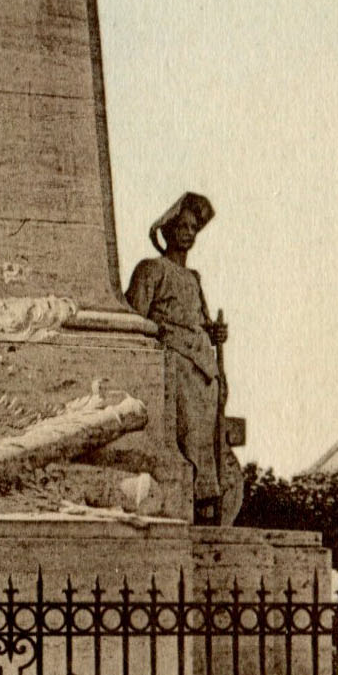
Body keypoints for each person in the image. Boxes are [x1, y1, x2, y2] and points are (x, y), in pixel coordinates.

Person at [125, 194, 241, 525]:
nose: (189, 233)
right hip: (175, 365)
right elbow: (135, 318)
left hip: (204, 368)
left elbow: (200, 320)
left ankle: (209, 502)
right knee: (188, 436)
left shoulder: (194, 279)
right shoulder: (151, 269)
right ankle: (197, 501)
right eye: (182, 226)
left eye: (193, 228)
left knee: (207, 438)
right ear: (168, 230)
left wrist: (215, 332)